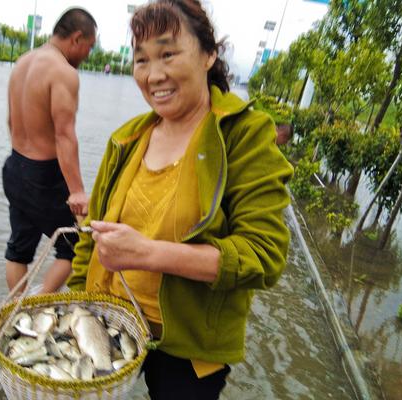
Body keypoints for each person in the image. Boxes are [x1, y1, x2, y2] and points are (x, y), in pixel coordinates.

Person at [67, 1, 293, 399]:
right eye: (141, 59)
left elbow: (264, 255)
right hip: (108, 320)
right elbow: (90, 237)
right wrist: (74, 306)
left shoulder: (243, 136)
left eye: (168, 53)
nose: (154, 74)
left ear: (209, 55)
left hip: (188, 348)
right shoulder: (127, 138)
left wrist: (149, 253)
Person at [2, 8, 96, 294]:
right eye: (89, 47)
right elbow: (64, 135)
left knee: (19, 248)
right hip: (44, 175)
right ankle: (37, 304)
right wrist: (78, 192)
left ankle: (16, 310)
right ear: (77, 38)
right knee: (77, 247)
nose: (87, 55)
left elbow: (10, 121)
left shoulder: (22, 63)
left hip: (15, 167)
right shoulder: (63, 73)